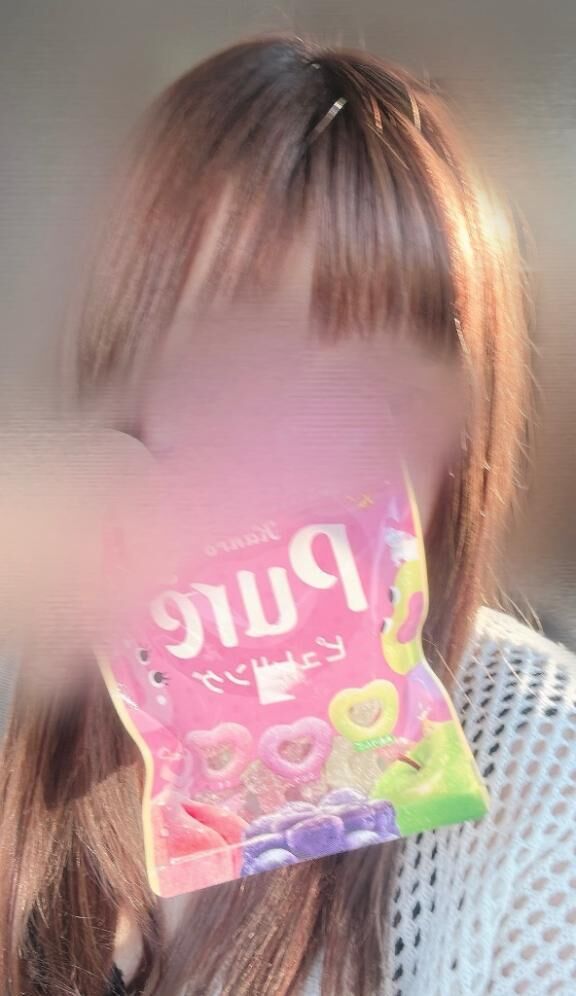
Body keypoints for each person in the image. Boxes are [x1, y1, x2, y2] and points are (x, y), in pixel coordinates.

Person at [1, 32, 575, 996]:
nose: (297, 450)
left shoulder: (545, 779)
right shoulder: (43, 676)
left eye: (378, 389)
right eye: (228, 363)